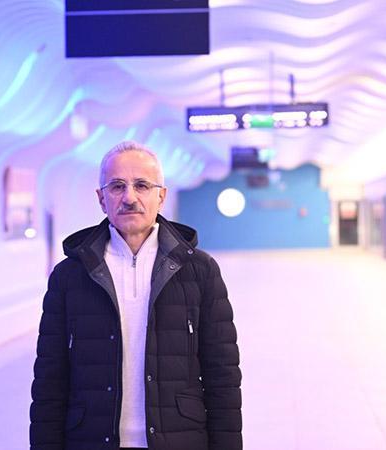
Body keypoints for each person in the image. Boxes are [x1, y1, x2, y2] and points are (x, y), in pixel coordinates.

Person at [30, 141, 242, 450]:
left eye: (142, 185)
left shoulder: (199, 271)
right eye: (117, 186)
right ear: (101, 199)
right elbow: (49, 381)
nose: (130, 197)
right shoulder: (69, 276)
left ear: (161, 196)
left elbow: (222, 377)